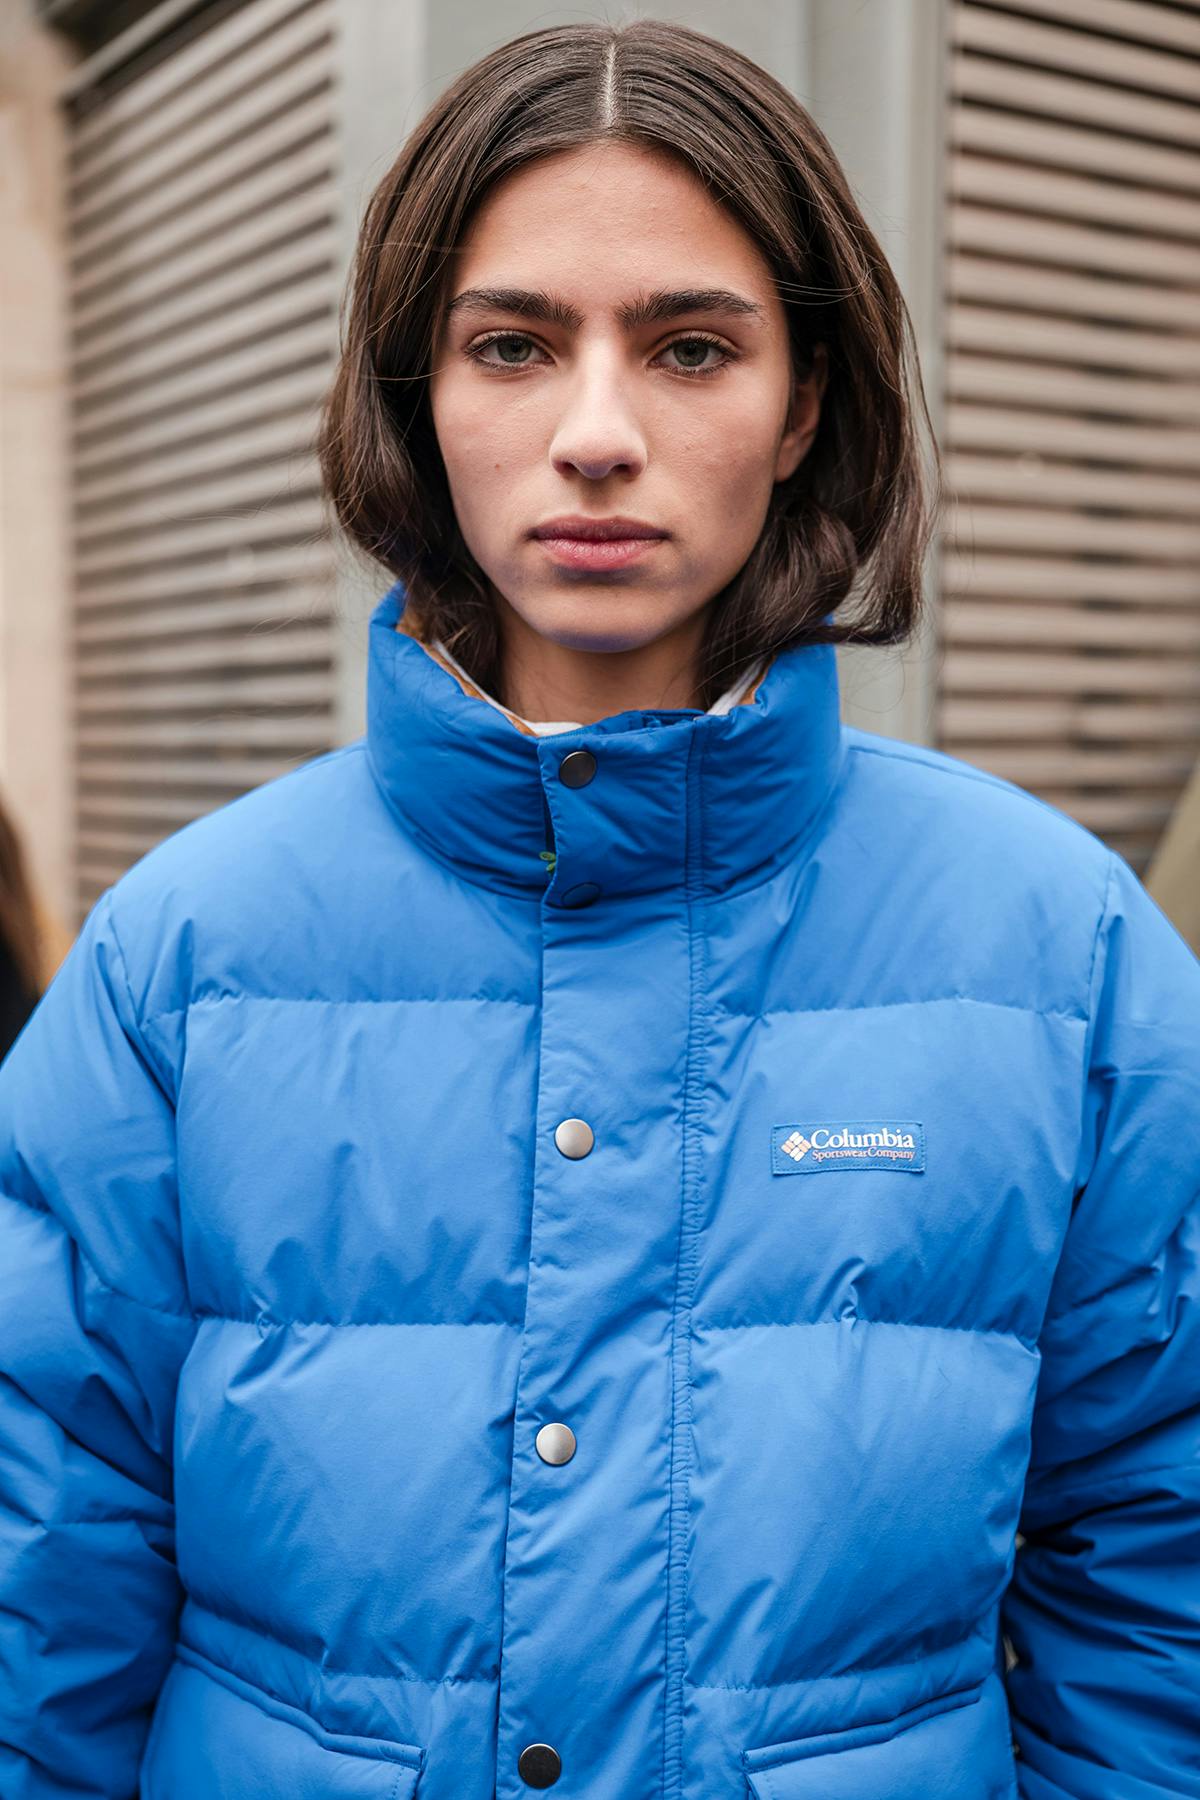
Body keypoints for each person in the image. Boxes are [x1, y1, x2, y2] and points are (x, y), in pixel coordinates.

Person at [0, 20, 1197, 1800]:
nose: (597, 435)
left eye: (693, 347)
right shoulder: (181, 961)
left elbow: (1155, 1589)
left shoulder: (1070, 957)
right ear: (420, 393)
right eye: (512, 345)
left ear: (803, 405)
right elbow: (45, 1605)